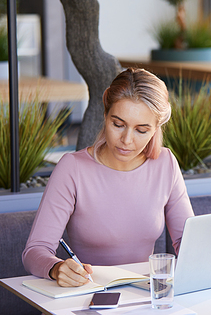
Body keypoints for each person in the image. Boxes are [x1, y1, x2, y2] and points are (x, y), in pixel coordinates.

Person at [22, 68, 194, 287]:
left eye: (141, 130)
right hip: (87, 296)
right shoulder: (73, 168)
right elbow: (35, 251)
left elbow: (186, 243)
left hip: (143, 298)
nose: (127, 140)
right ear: (105, 113)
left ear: (155, 129)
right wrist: (56, 268)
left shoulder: (165, 163)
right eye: (118, 124)